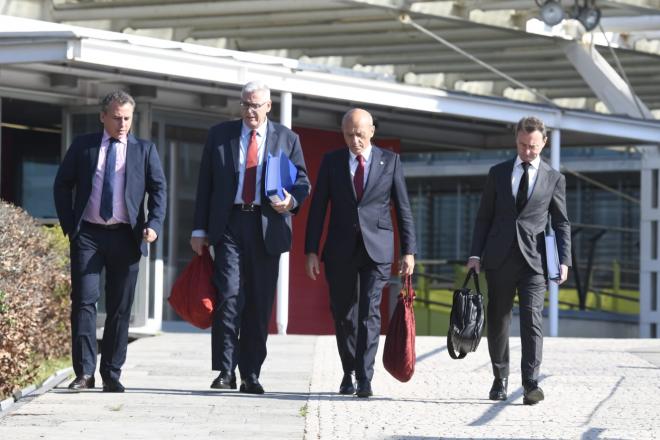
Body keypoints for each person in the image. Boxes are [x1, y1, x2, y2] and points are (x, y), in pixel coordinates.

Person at [191, 80, 310, 394]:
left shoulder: (287, 138)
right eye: (245, 104)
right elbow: (205, 184)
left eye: (256, 105)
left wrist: (291, 201)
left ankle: (251, 373)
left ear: (268, 106)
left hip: (267, 226)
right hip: (229, 224)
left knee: (259, 303)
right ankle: (225, 371)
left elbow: (302, 182)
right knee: (228, 296)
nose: (249, 111)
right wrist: (198, 229)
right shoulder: (220, 135)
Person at [53, 90, 167, 393]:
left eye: (127, 118)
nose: (122, 124)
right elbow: (63, 185)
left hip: (126, 237)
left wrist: (153, 225)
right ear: (103, 116)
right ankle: (85, 373)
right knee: (84, 303)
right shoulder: (84, 147)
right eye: (116, 117)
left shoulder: (145, 151)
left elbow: (159, 191)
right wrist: (70, 227)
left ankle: (112, 372)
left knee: (119, 308)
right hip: (88, 234)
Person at [304, 108, 416, 398]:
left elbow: (403, 209)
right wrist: (311, 251)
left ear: (371, 131)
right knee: (344, 313)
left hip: (377, 249)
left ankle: (365, 377)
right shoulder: (332, 162)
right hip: (340, 249)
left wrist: (409, 251)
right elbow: (318, 208)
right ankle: (348, 370)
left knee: (369, 311)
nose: (354, 140)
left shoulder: (389, 161)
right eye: (348, 134)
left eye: (359, 134)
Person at [467, 115, 571, 405]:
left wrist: (564, 260)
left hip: (535, 261)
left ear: (544, 142)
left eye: (534, 146)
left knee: (532, 320)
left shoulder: (554, 178)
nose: (528, 151)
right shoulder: (497, 173)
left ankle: (530, 383)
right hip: (499, 258)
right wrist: (475, 254)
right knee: (499, 319)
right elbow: (484, 217)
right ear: (516, 139)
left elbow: (562, 222)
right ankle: (500, 379)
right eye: (523, 145)